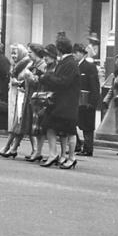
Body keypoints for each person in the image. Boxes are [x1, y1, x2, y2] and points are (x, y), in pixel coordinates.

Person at [39, 35, 81, 169]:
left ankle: (71, 157)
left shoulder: (70, 63)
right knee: (49, 126)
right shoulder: (66, 62)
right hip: (60, 102)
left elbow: (63, 82)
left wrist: (47, 77)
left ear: (60, 49)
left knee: (69, 131)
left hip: (67, 103)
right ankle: (55, 154)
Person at [0, 44, 32, 158]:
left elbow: (26, 79)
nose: (13, 56)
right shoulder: (14, 65)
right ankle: (14, 147)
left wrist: (18, 82)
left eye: (15, 53)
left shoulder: (27, 64)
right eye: (12, 53)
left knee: (18, 123)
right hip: (13, 95)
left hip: (21, 95)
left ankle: (9, 147)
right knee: (16, 123)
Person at [74, 43, 100, 157]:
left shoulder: (89, 67)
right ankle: (78, 145)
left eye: (76, 53)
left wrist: (92, 102)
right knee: (76, 123)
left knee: (87, 126)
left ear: (82, 54)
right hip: (77, 100)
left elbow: (95, 86)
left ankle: (88, 148)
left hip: (87, 100)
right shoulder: (75, 66)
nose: (74, 55)